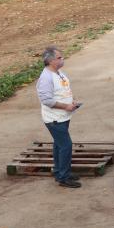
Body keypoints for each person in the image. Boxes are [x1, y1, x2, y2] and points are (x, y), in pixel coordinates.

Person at [36, 46, 82, 188]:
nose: (62, 59)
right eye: (59, 58)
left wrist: (72, 101)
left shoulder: (58, 72)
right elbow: (47, 101)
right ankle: (63, 177)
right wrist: (66, 106)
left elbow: (64, 89)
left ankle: (59, 171)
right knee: (66, 146)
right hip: (54, 119)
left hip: (63, 116)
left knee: (59, 145)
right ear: (50, 61)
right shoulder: (46, 78)